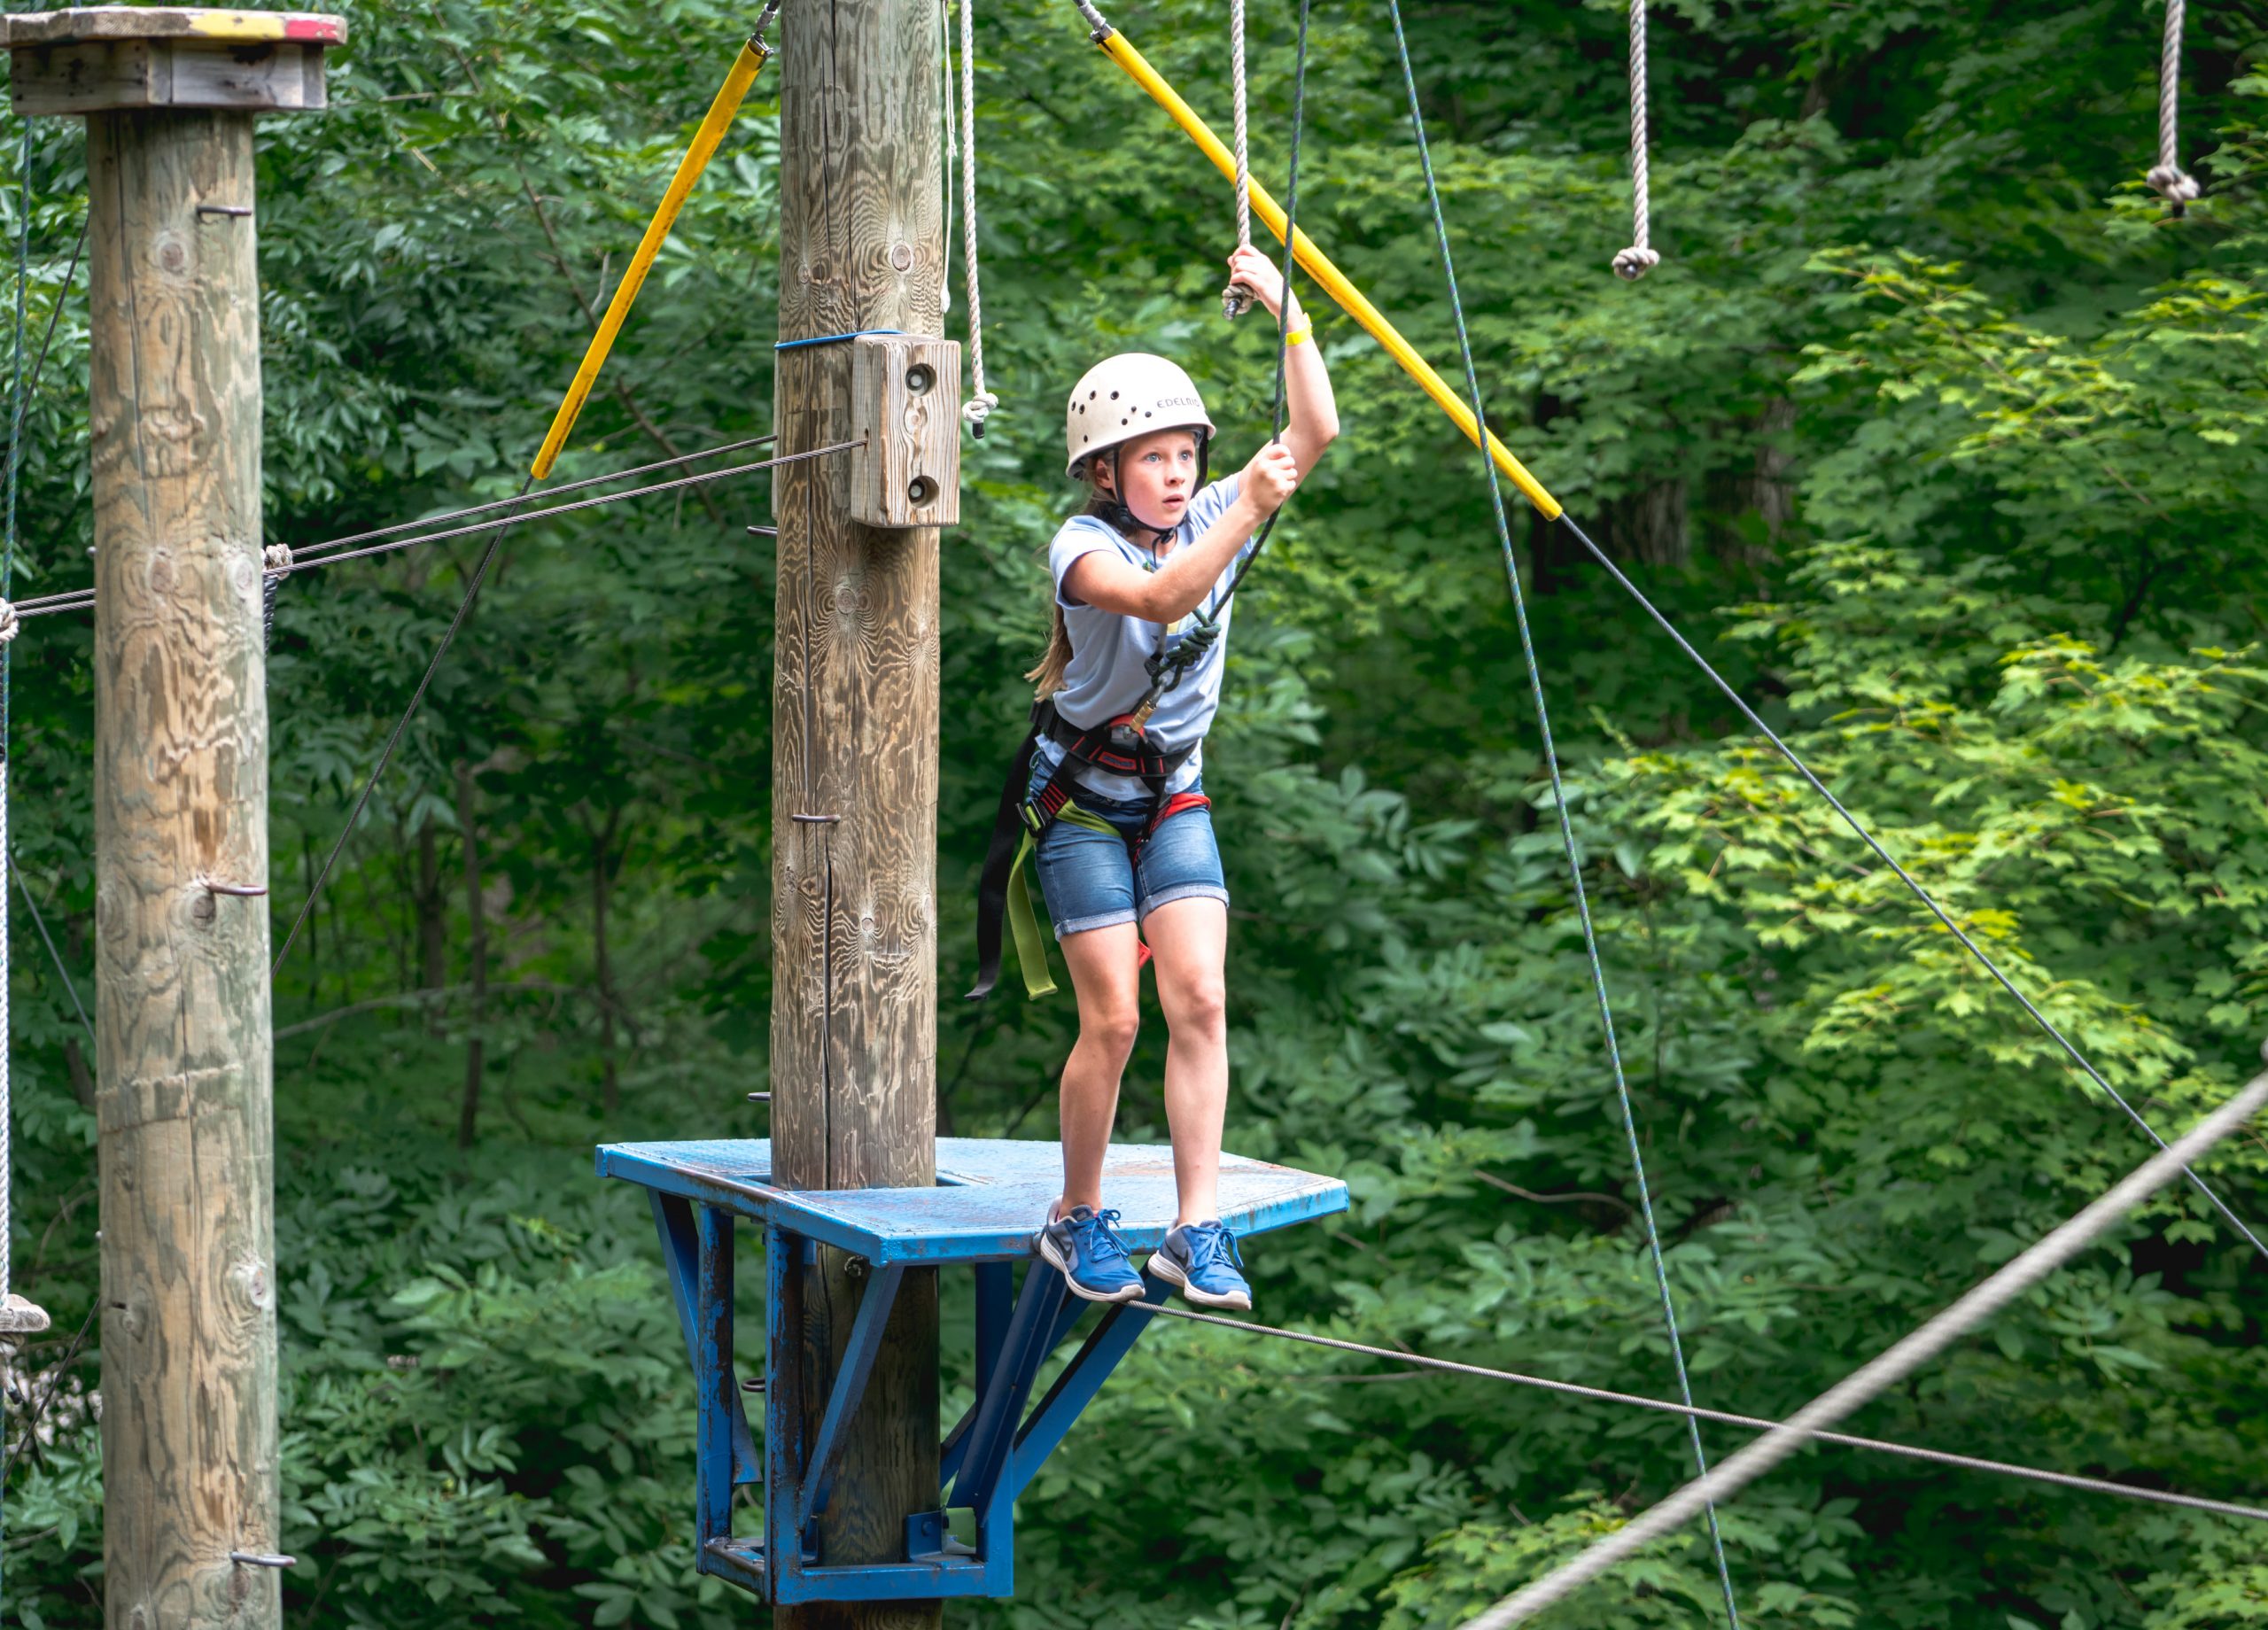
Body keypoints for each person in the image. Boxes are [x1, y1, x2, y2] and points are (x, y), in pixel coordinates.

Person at [968, 244, 1339, 1311]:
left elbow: (1313, 434)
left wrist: (1287, 310)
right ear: (1105, 473)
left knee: (1203, 999)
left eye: (1189, 455)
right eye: (1155, 459)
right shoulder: (1079, 553)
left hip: (1171, 792)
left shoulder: (1215, 503)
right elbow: (1168, 596)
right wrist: (1247, 509)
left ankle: (1195, 1226)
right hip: (1083, 804)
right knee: (1116, 1021)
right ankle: (1077, 1214)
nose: (1178, 474)